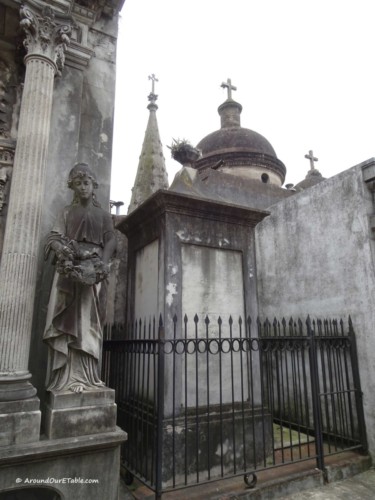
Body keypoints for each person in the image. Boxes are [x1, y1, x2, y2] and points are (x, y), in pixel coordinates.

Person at [43, 163, 116, 393]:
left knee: (89, 324)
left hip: (93, 272)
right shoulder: (66, 212)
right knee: (67, 320)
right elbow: (53, 238)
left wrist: (102, 263)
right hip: (70, 269)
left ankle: (87, 378)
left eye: (86, 183)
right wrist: (61, 249)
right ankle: (66, 379)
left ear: (94, 186)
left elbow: (111, 241)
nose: (82, 187)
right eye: (78, 183)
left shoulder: (103, 215)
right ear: (72, 187)